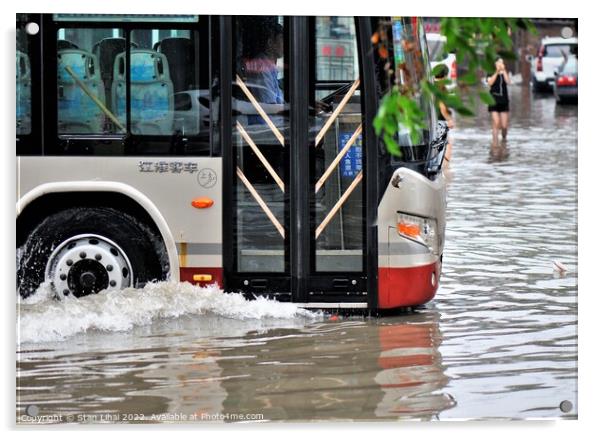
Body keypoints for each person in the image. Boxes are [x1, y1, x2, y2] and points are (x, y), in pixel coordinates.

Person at [487, 57, 511, 147]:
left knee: (504, 126)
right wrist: (496, 72)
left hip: (504, 100)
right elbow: (490, 83)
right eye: (498, 62)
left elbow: (508, 82)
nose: (500, 64)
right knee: (496, 122)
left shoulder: (504, 72)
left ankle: (504, 140)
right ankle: (495, 144)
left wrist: (503, 71)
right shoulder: (490, 72)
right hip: (493, 100)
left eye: (502, 62)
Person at [434, 65, 454, 165]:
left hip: (431, 121)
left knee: (437, 146)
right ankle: (446, 170)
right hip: (440, 122)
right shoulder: (441, 87)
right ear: (445, 75)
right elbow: (442, 107)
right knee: (448, 145)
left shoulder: (430, 85)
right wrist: (449, 120)